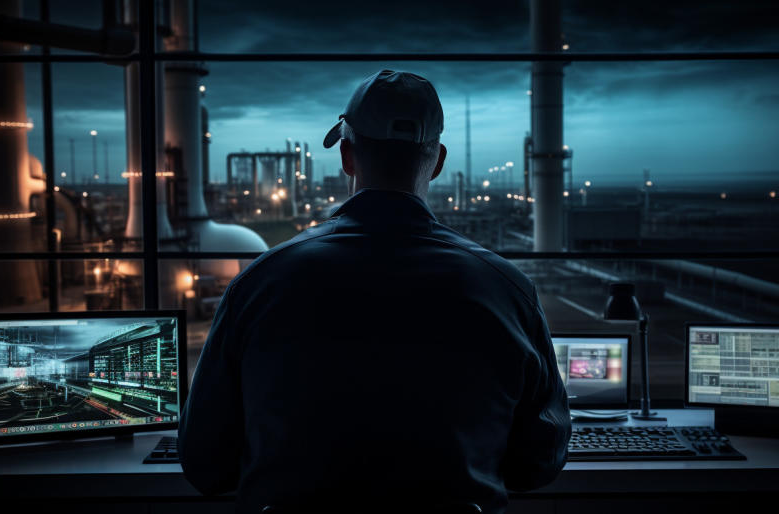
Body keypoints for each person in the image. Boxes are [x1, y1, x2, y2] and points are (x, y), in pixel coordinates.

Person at [179, 69, 571, 514]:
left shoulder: (260, 283)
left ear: (347, 155)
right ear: (438, 162)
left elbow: (204, 464)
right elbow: (538, 465)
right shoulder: (506, 289)